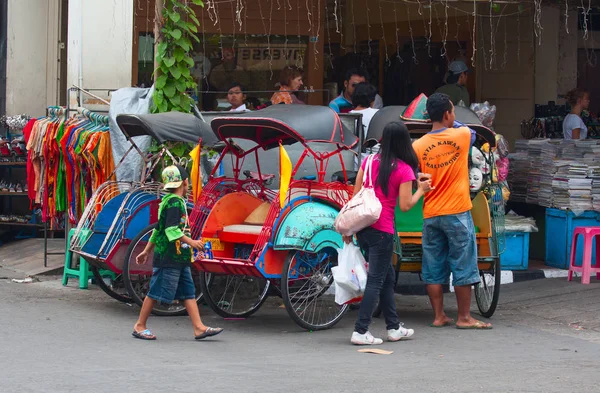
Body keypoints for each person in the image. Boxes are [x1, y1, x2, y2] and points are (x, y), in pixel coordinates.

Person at [344, 122, 433, 345]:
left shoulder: (369, 161)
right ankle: (360, 330)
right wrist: (421, 190)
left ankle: (393, 327)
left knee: (387, 277)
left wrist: (350, 228)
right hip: (382, 230)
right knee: (376, 280)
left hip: (364, 228)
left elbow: (356, 195)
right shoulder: (403, 169)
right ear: (405, 142)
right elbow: (405, 206)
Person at [412, 93, 492, 330]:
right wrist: (452, 122)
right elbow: (472, 131)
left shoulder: (418, 145)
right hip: (457, 211)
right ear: (447, 114)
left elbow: (415, 172)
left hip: (431, 213)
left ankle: (438, 316)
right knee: (463, 263)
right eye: (452, 112)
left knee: (433, 266)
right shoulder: (462, 135)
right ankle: (464, 317)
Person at [132, 165, 224, 341]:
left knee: (188, 292)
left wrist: (146, 251)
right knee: (156, 291)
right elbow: (171, 230)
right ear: (185, 182)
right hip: (169, 257)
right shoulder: (174, 203)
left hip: (178, 257)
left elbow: (158, 230)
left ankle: (198, 327)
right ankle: (140, 325)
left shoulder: (168, 201)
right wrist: (193, 242)